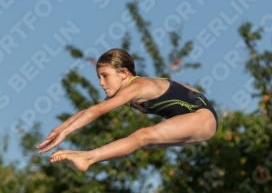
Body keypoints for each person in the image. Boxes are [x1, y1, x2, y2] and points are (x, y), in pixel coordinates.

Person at [36, 48, 219, 171]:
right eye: (99, 77)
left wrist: (66, 132)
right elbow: (92, 109)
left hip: (203, 118)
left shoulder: (135, 87)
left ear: (124, 73)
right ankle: (88, 157)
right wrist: (59, 130)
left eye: (105, 76)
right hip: (196, 121)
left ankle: (87, 158)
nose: (101, 83)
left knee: (142, 136)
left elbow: (98, 112)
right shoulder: (125, 90)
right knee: (140, 142)